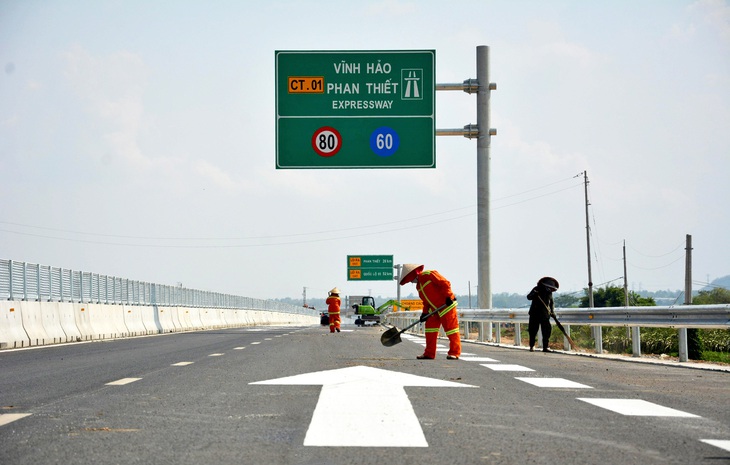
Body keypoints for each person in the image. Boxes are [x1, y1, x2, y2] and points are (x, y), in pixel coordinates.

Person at [399, 264, 461, 360]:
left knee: (451, 330)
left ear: (413, 274)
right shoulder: (418, 287)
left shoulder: (429, 274)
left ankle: (454, 353)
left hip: (446, 306)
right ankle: (429, 353)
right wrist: (425, 313)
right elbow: (426, 301)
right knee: (430, 330)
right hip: (434, 310)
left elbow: (445, 283)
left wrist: (449, 297)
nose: (411, 281)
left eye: (410, 279)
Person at [527, 276, 559, 352]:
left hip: (545, 314)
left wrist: (552, 312)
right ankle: (532, 346)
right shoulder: (536, 289)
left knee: (546, 331)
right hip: (534, 313)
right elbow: (529, 297)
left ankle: (545, 347)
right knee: (533, 331)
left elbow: (551, 303)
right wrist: (534, 294)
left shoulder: (549, 293)